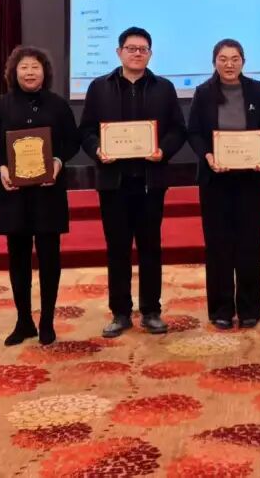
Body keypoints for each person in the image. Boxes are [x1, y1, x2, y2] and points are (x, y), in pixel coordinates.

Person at [79, 27, 187, 338]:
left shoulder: (164, 88)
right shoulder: (99, 88)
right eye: (131, 48)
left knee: (151, 248)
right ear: (119, 52)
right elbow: (86, 130)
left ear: (150, 54)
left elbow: (178, 130)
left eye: (143, 49)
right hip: (113, 183)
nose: (137, 53)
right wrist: (97, 151)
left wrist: (163, 150)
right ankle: (120, 312)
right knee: (117, 249)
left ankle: (151, 311)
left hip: (150, 182)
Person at [0, 46, 80, 347]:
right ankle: (24, 321)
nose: (30, 72)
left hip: (48, 193)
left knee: (50, 257)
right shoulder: (2, 105)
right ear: (14, 72)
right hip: (13, 194)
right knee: (18, 258)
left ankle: (47, 320)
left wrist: (58, 161)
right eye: (24, 67)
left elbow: (72, 141)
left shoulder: (58, 105)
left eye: (35, 67)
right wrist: (1, 167)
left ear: (44, 72)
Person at [187, 39, 260, 330]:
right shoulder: (203, 93)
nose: (229, 64)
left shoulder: (256, 90)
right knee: (218, 246)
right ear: (214, 61)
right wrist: (208, 155)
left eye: (235, 58)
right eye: (223, 59)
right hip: (215, 180)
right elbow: (194, 132)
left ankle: (250, 308)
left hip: (250, 179)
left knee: (249, 244)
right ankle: (221, 309)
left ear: (243, 61)